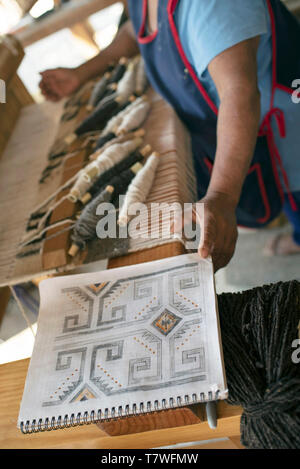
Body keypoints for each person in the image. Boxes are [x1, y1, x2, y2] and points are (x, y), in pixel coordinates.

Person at [39, 0, 300, 271]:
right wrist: (80, 73)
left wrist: (222, 195)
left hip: (286, 120)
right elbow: (135, 31)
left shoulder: (210, 5)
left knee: (297, 191)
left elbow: (239, 94)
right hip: (254, 125)